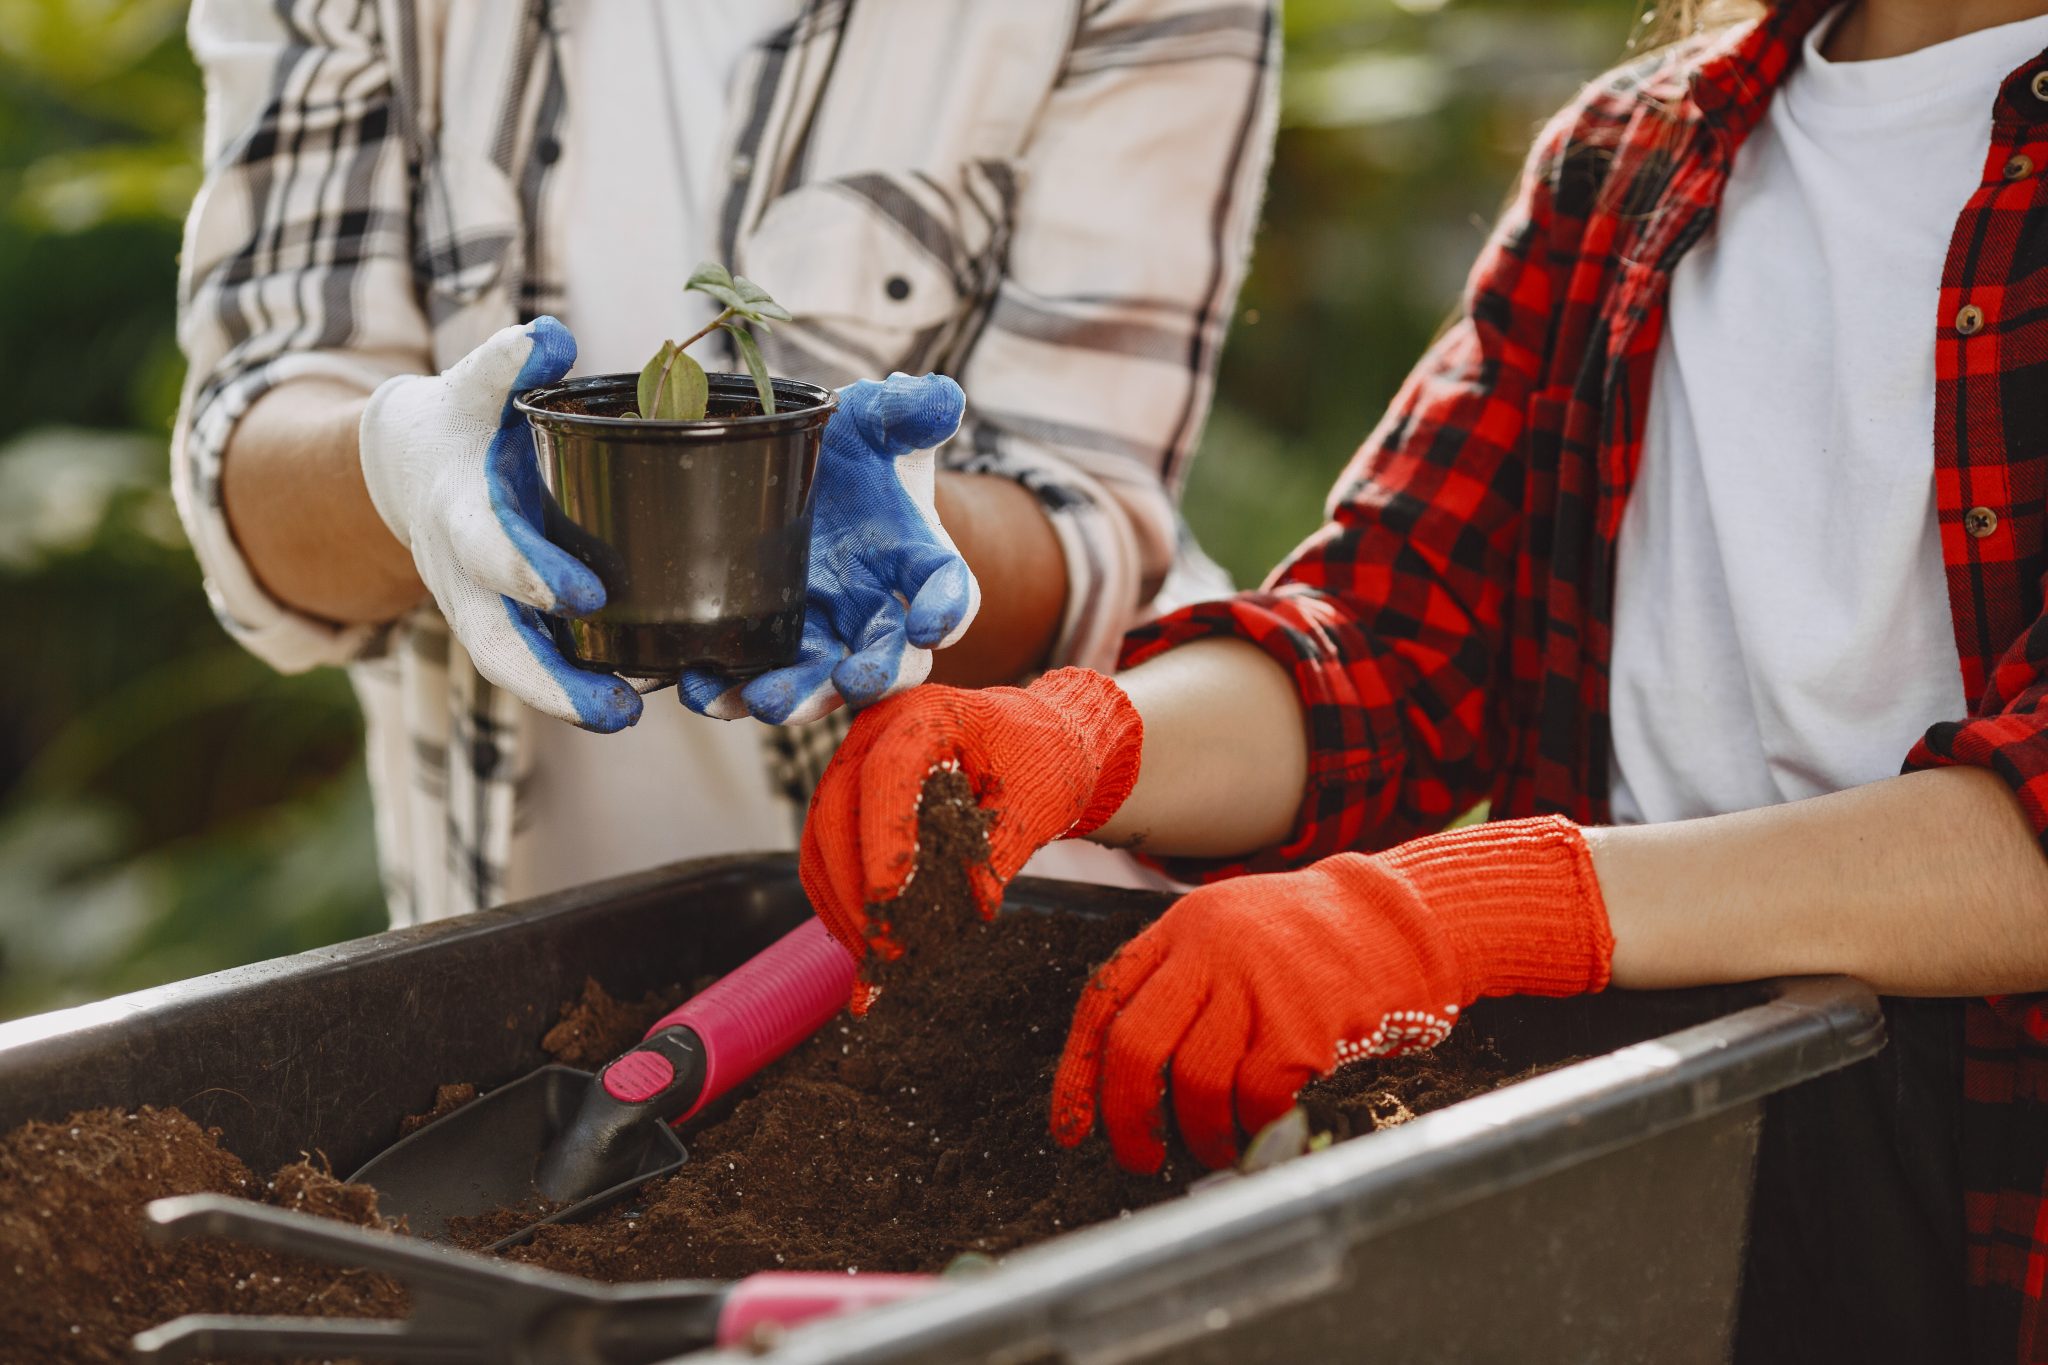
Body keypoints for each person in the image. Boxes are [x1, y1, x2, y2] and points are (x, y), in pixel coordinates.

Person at [799, 0, 2048, 1358]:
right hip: (1630, 1138)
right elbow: (1396, 636)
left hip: (1974, 1178)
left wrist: (1450, 914)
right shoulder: (1633, 159)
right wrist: (1085, 736)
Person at [171, 1, 1276, 924]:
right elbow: (254, 448)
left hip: (992, 931)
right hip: (513, 956)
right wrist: (401, 466)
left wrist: (896, 534)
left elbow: (1087, 528)